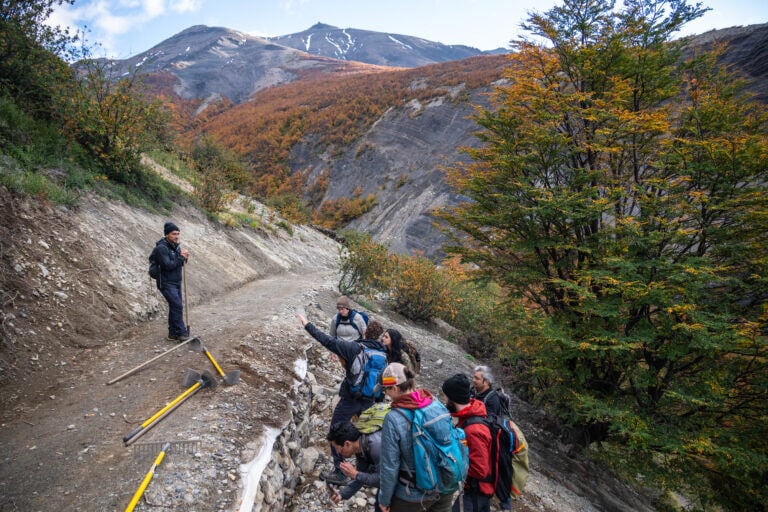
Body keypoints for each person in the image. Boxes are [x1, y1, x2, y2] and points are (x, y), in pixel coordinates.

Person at [297, 312, 386, 485]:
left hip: (350, 398)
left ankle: (340, 472)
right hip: (369, 400)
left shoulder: (354, 348)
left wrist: (307, 324)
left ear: (365, 332)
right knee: (366, 434)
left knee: (336, 431)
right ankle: (367, 471)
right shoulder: (383, 354)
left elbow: (328, 341)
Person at [377, 363, 455, 512]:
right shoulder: (434, 402)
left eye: (386, 390)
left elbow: (389, 466)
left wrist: (384, 500)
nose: (385, 394)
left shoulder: (393, 418)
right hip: (445, 485)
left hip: (412, 494)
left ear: (394, 388)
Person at [442, 373, 493, 512]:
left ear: (453, 398)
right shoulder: (467, 418)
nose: (444, 400)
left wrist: (450, 465)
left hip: (476, 493)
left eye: (446, 396)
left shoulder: (474, 430)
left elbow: (479, 469)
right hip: (473, 490)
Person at [326, 421, 382, 508]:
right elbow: (361, 474)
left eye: (337, 448)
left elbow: (384, 480)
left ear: (347, 444)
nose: (337, 452)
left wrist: (355, 474)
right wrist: (342, 494)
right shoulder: (360, 447)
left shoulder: (376, 446)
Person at [153, 222, 190, 341]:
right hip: (165, 283)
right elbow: (167, 265)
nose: (177, 236)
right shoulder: (161, 248)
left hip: (176, 282)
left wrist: (185, 258)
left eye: (178, 234)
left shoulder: (176, 246)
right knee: (177, 306)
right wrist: (181, 258)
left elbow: (179, 263)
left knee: (175, 306)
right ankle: (182, 332)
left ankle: (172, 333)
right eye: (174, 234)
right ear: (167, 235)